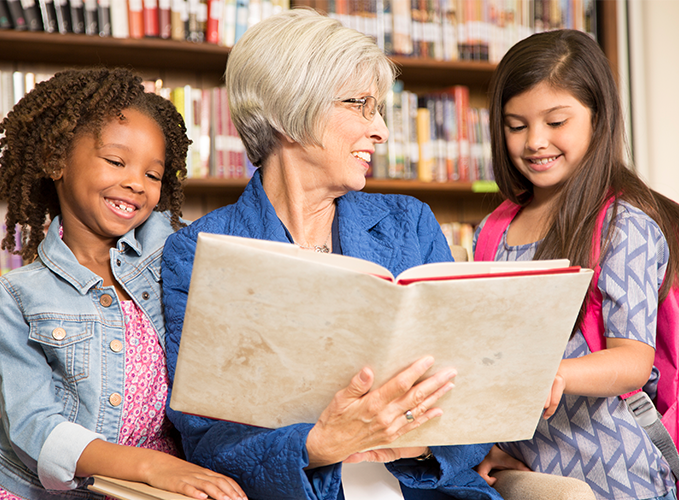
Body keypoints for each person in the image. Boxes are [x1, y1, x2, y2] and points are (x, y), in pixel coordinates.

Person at [161, 9, 501, 500]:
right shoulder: (200, 252)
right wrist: (320, 445)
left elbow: (471, 396)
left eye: (378, 108)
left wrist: (411, 447)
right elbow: (206, 438)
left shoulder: (411, 223)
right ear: (287, 110)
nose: (381, 129)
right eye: (360, 105)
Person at [0, 67, 246, 500]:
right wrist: (152, 466)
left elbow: (237, 249)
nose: (136, 183)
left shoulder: (169, 246)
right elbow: (34, 425)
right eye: (116, 161)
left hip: (154, 488)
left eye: (154, 175)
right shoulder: (18, 296)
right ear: (56, 160)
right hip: (51, 491)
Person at [470, 29, 679, 500]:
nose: (535, 142)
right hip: (532, 467)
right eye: (516, 125)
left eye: (556, 121)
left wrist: (555, 374)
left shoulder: (622, 224)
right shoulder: (492, 229)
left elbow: (632, 360)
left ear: (598, 118)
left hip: (617, 472)